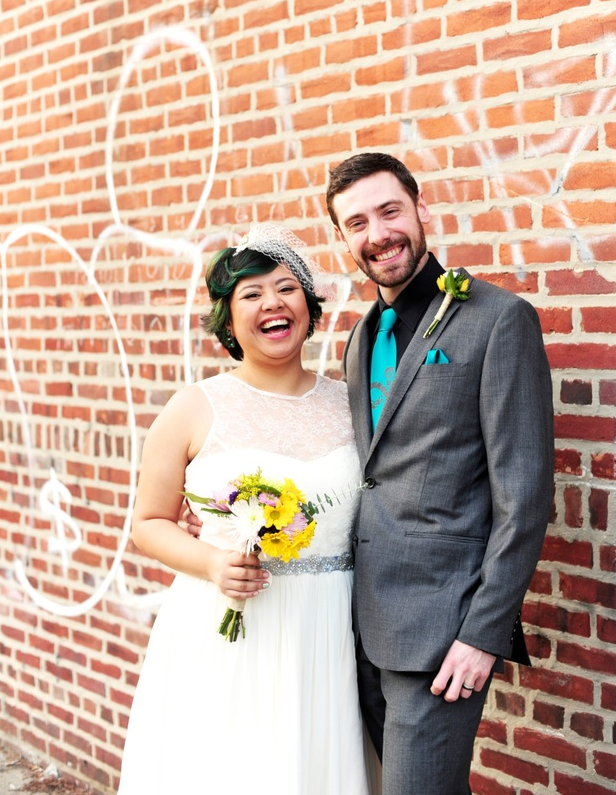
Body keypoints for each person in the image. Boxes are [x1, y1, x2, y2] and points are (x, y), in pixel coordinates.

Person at [324, 152, 555, 795]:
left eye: (390, 211)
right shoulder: (361, 335)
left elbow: (525, 493)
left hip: (442, 633)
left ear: (422, 212)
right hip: (362, 628)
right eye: (357, 223)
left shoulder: (498, 319)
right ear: (343, 238)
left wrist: (484, 633)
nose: (378, 234)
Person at [117, 224, 375, 795]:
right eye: (250, 294)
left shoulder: (352, 405)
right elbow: (148, 522)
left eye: (285, 288)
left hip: (329, 630)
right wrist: (210, 562)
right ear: (228, 321)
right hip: (229, 629)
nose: (271, 304)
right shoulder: (193, 407)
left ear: (307, 307)